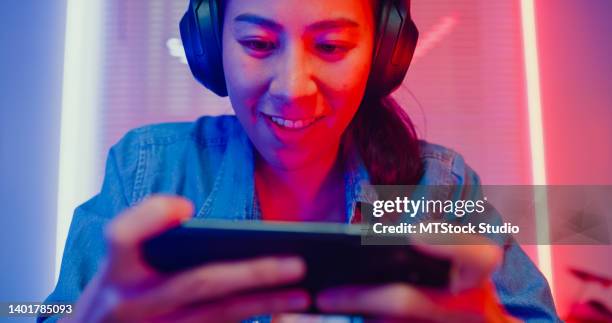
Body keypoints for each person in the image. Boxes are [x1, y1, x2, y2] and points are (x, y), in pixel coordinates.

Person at [39, 0, 560, 322]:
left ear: (384, 53)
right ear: (209, 46)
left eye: (331, 46)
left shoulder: (442, 189)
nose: (292, 90)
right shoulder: (144, 170)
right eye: (258, 43)